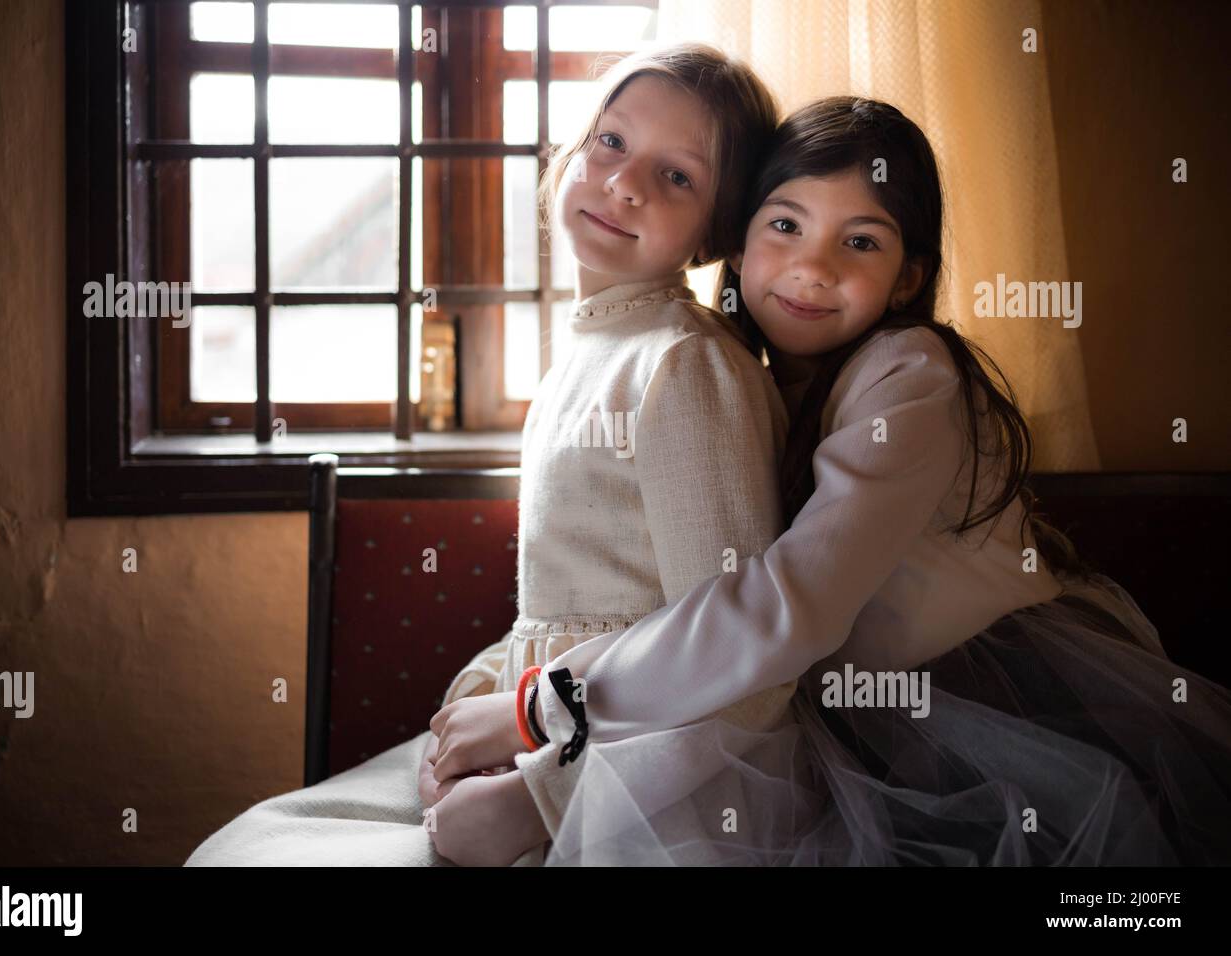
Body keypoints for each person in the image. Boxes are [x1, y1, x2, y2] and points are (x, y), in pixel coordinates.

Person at [433, 96, 1231, 865]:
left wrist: (544, 706)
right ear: (738, 248)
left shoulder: (911, 376)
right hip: (832, 702)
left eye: (861, 242)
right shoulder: (747, 375)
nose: (811, 268)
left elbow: (788, 604)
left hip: (969, 705)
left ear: (910, 278)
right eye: (785, 226)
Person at [184, 43, 791, 867]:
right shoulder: (588, 354)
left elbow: (737, 667)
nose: (624, 183)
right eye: (609, 142)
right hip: (545, 736)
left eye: (676, 176)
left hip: (643, 792)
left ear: (714, 230)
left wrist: (537, 801)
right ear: (570, 153)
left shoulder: (682, 365)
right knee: (246, 844)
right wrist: (474, 704)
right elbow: (561, 610)